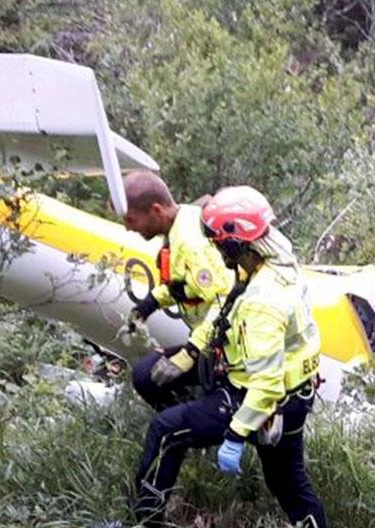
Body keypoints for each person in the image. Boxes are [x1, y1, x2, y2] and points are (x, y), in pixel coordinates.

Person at [131, 186, 327, 528]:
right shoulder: (272, 260)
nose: (216, 250)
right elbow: (226, 308)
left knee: (165, 431)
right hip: (294, 393)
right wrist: (193, 350)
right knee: (290, 485)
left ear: (236, 244)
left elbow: (264, 383)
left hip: (264, 397)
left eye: (219, 243)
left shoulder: (262, 301)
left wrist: (236, 434)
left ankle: (144, 522)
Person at [120, 171, 234, 410]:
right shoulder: (182, 222)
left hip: (228, 349)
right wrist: (149, 304)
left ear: (156, 210)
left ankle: (185, 427)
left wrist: (191, 352)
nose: (128, 229)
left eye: (131, 220)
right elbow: (187, 286)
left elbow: (225, 301)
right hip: (211, 342)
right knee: (146, 375)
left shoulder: (190, 243)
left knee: (147, 377)